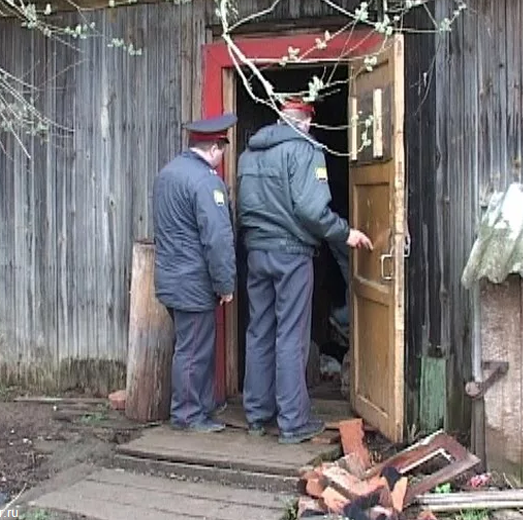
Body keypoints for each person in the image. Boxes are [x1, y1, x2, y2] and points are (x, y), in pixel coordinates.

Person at [237, 97, 373, 444]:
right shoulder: (306, 150)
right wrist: (345, 233)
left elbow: (245, 205)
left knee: (259, 331)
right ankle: (293, 422)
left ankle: (257, 414)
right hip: (291, 254)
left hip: (256, 252)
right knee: (291, 335)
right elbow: (312, 211)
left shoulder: (249, 154)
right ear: (307, 121)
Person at [153, 112, 238, 433]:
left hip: (170, 276)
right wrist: (225, 283)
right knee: (194, 351)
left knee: (189, 346)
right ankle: (188, 415)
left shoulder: (167, 174)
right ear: (215, 148)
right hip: (194, 282)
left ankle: (198, 408)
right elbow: (217, 239)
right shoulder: (206, 182)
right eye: (222, 151)